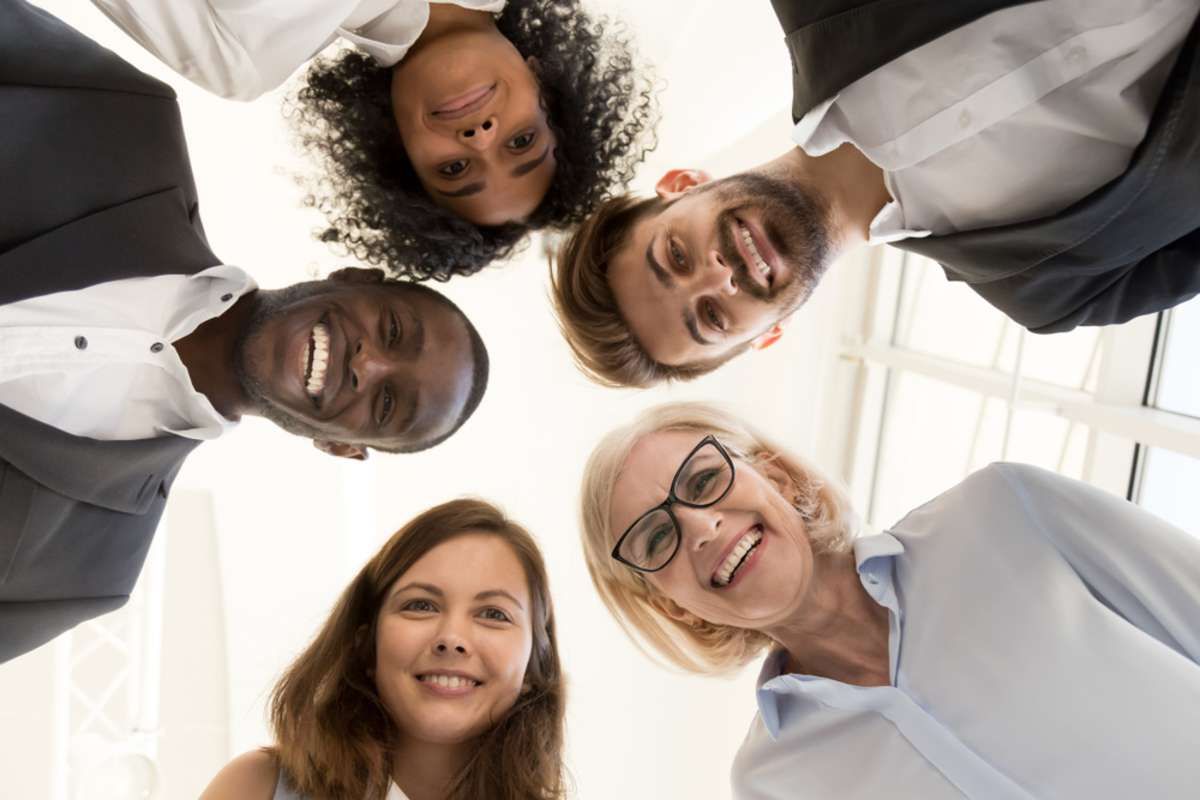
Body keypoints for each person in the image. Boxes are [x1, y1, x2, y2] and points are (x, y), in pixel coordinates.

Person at [0, 0, 489, 664]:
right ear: (353, 275)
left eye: (386, 403)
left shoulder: (81, 574)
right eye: (394, 330)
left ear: (340, 447)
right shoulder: (116, 121)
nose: (366, 364)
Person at [552, 0, 1200, 388]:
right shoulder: (1052, 291)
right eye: (712, 318)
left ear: (681, 185)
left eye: (677, 257)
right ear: (768, 338)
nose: (718, 276)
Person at [578, 402, 1200, 798]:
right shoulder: (772, 783)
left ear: (777, 476)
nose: (703, 527)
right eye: (656, 537)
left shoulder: (1003, 511)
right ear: (673, 607)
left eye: (705, 480)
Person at [90, 0, 658, 279]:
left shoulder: (241, 58)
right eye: (521, 141)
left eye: (455, 170)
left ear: (399, 151)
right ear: (545, 87)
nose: (480, 137)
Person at [199, 498, 565, 800]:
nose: (452, 638)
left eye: (492, 614)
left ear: (536, 666)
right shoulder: (256, 787)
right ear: (364, 643)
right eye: (421, 605)